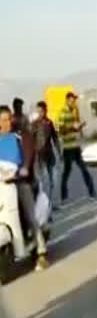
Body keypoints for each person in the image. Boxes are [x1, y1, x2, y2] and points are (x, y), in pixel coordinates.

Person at [0, 106, 48, 270]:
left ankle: (41, 251)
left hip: (19, 181)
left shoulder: (20, 135)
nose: (3, 123)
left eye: (6, 119)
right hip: (1, 183)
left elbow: (28, 152)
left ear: (11, 119)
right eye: (0, 120)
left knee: (29, 213)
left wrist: (25, 167)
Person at [57, 92, 96, 201]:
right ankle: (63, 196)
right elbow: (60, 130)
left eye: (74, 100)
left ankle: (92, 192)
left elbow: (77, 128)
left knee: (84, 169)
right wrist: (72, 127)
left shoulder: (75, 111)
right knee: (66, 172)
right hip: (68, 147)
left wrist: (80, 127)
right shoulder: (62, 112)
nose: (73, 102)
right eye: (71, 100)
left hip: (76, 146)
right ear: (67, 100)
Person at [31, 101, 61, 213]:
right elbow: (30, 140)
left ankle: (50, 204)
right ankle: (43, 206)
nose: (40, 113)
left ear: (45, 111)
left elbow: (55, 138)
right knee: (44, 182)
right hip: (39, 156)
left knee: (53, 180)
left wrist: (58, 151)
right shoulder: (34, 124)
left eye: (42, 111)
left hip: (50, 155)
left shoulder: (49, 122)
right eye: (38, 111)